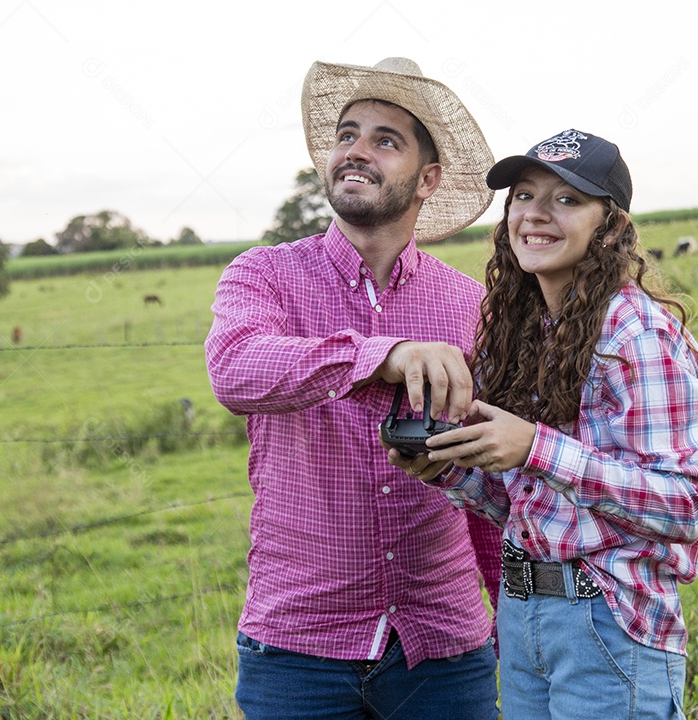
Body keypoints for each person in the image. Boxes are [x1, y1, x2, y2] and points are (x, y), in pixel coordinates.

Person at [205, 57, 502, 720]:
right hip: (298, 646)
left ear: (428, 179)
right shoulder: (264, 276)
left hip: (444, 645)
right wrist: (382, 356)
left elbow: (491, 485)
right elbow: (235, 367)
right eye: (346, 135)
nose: (356, 151)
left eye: (384, 140)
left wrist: (506, 614)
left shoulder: (469, 305)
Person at [394, 129, 698, 719]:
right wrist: (447, 469)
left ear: (610, 224)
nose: (536, 214)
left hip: (607, 622)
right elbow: (525, 505)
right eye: (523, 195)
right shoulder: (522, 332)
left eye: (567, 200)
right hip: (522, 618)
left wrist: (536, 447)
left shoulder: (635, 334)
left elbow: (687, 507)